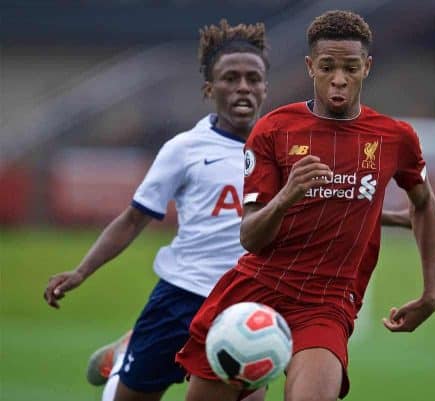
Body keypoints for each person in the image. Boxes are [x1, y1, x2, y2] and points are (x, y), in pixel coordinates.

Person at [176, 10, 435, 401]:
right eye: (327, 67)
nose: (339, 79)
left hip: (326, 302)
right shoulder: (275, 130)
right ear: (310, 67)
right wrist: (286, 196)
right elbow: (250, 236)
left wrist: (431, 292)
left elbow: (424, 202)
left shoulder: (394, 138)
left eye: (350, 67)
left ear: (366, 67)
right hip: (258, 289)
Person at [43, 20, 271, 401]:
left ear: (265, 86)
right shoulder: (184, 149)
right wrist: (82, 271)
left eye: (253, 77)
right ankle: (126, 355)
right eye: (230, 78)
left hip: (243, 306)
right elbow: (133, 219)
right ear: (209, 89)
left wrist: (390, 216)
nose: (243, 86)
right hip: (182, 298)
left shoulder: (281, 149)